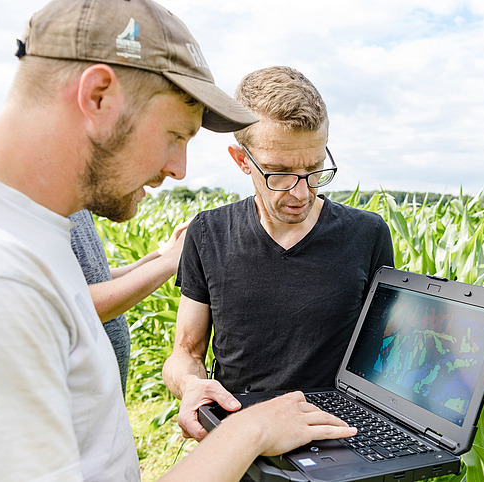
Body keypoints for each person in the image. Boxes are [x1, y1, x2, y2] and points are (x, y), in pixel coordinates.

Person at [0, 1, 354, 480]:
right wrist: (248, 433)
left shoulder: (35, 237)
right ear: (98, 96)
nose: (178, 169)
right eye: (174, 134)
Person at [162, 66, 395, 441]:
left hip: (337, 437)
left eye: (314, 168)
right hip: (239, 437)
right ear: (241, 161)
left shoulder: (368, 235)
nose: (301, 192)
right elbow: (185, 351)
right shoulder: (208, 233)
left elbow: (385, 350)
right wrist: (190, 384)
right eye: (279, 172)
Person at [69, 209, 188, 394]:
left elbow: (98, 279)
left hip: (99, 391)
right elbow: (69, 303)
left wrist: (165, 253)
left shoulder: (77, 210)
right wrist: (171, 261)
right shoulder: (41, 204)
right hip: (74, 393)